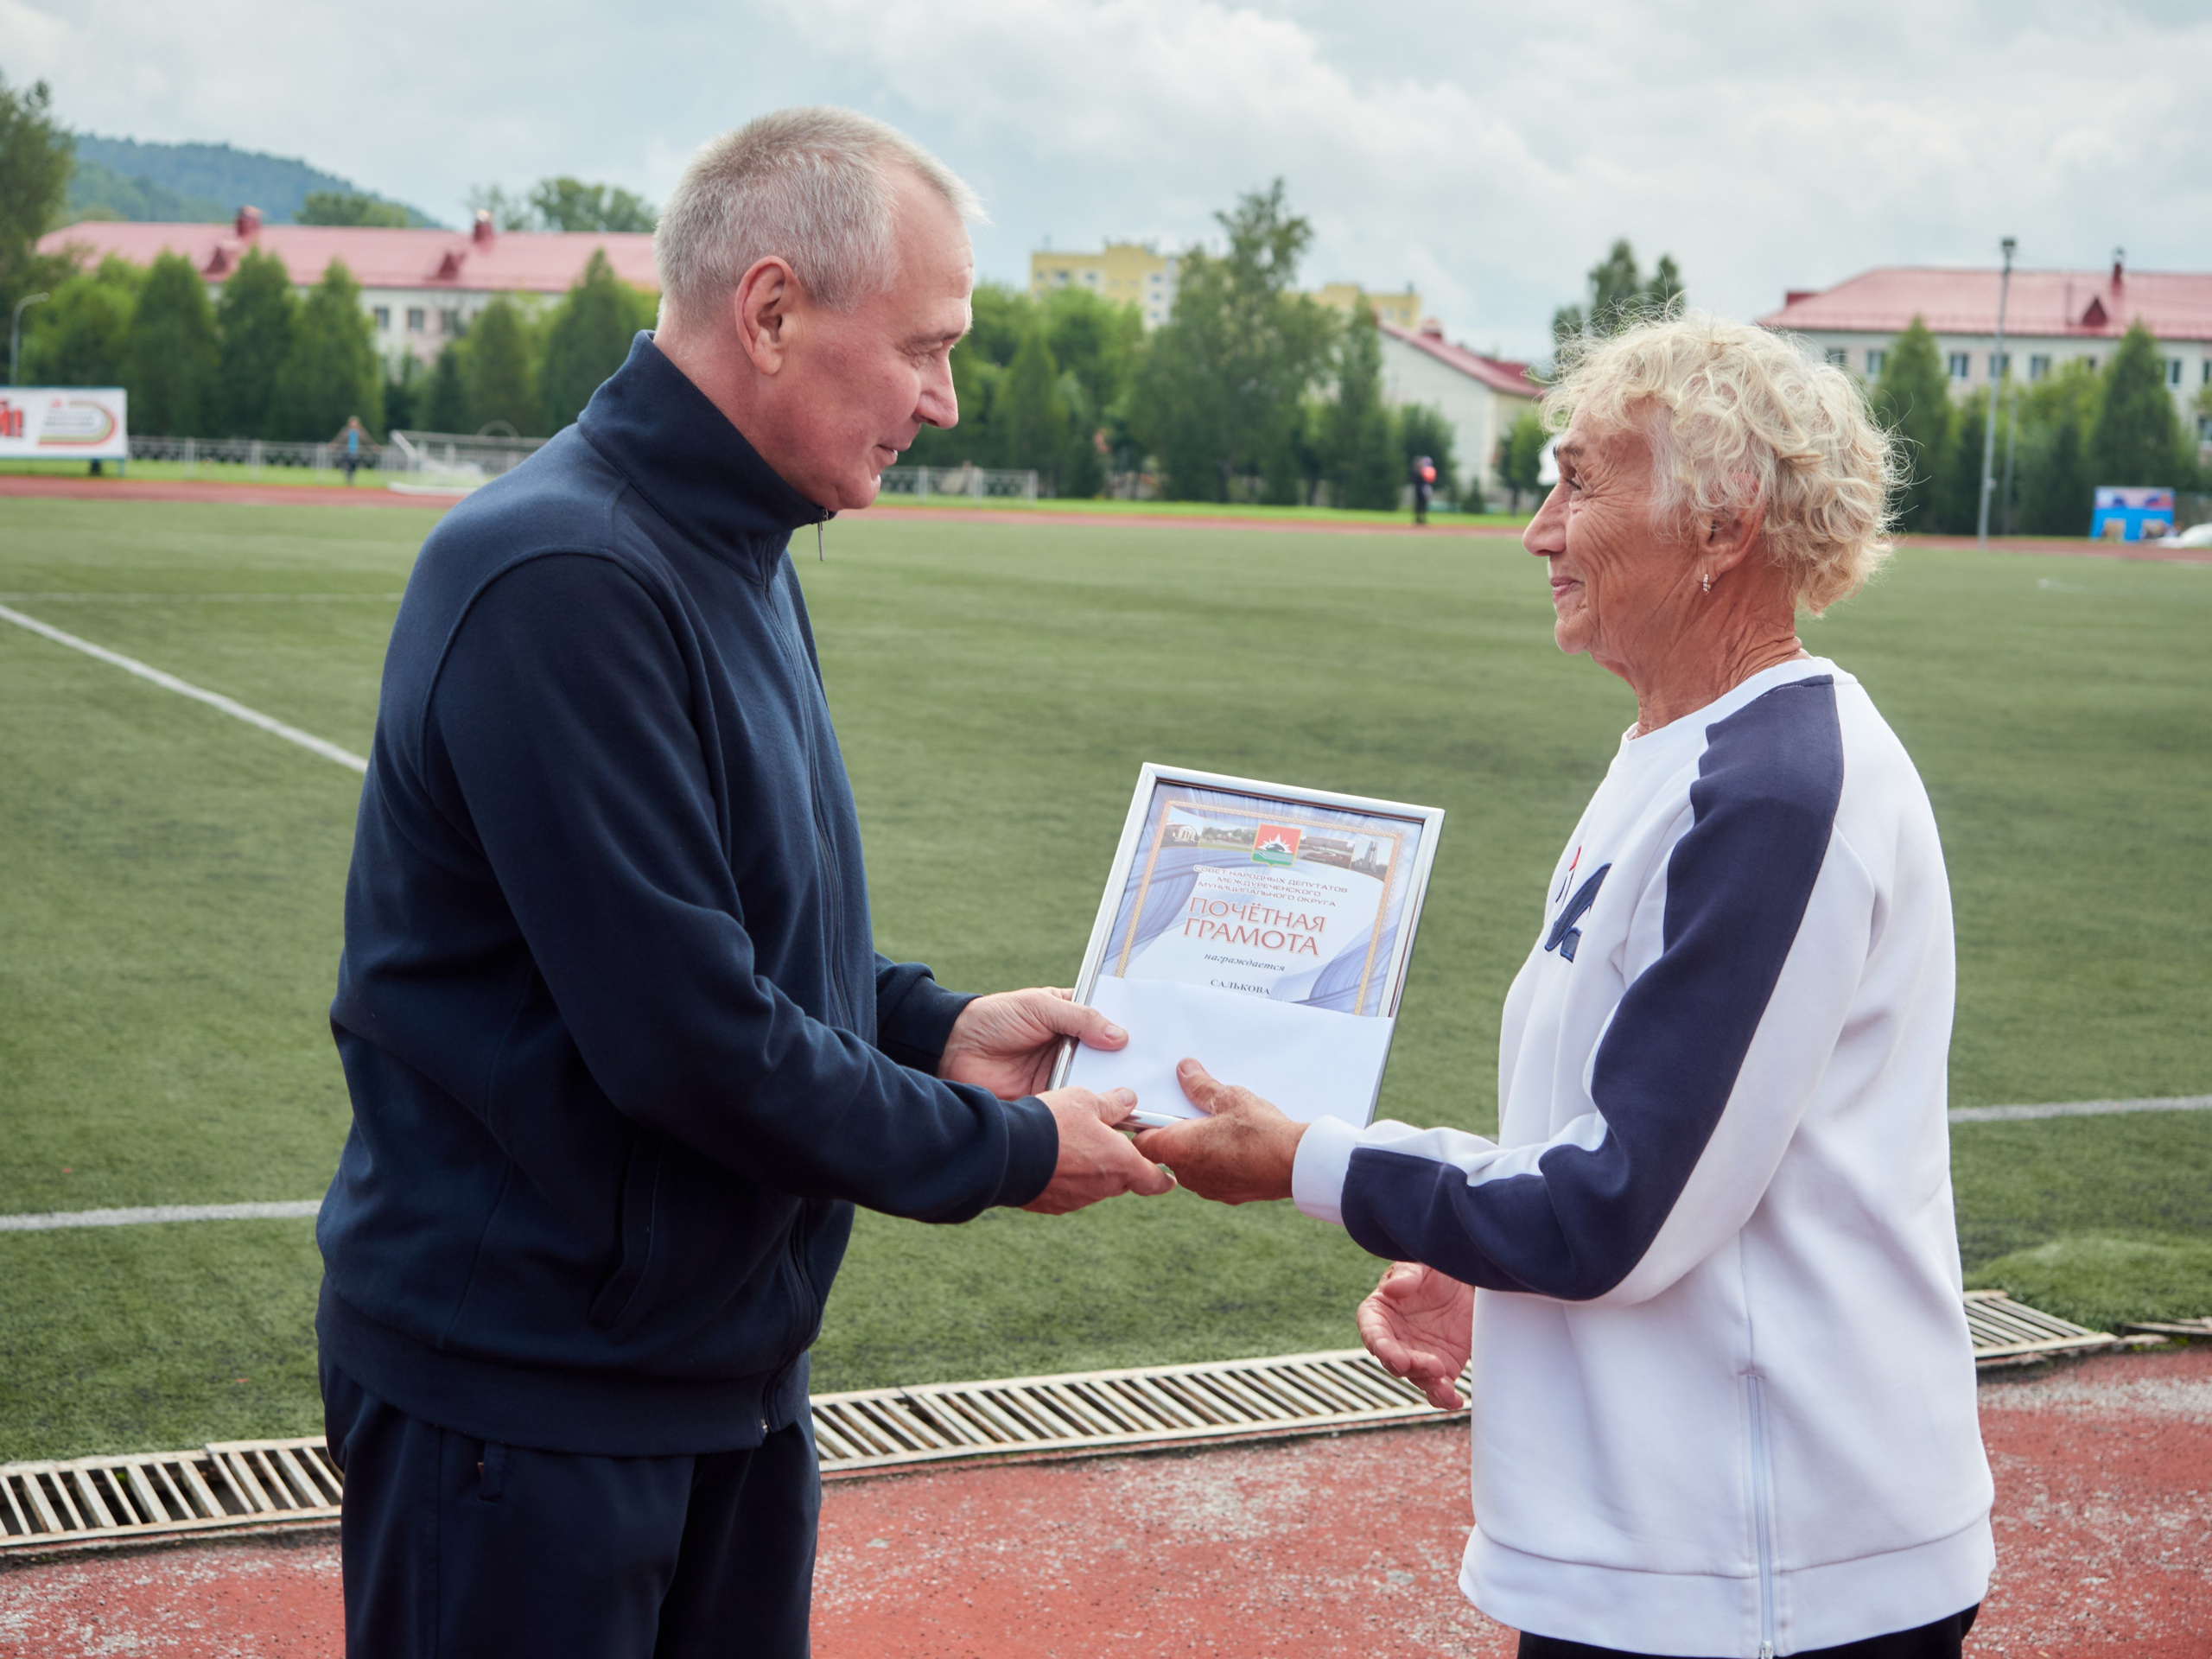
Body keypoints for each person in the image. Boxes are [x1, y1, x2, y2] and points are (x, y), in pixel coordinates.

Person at [315, 107, 1173, 1658]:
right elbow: (689, 1039)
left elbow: (748, 936)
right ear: (771, 312)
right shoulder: (565, 575)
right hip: (530, 1406)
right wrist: (1001, 1146)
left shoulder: (738, 547)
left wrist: (932, 1027)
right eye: (923, 346)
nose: (946, 398)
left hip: (711, 1384)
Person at [1135, 314, 1993, 1659]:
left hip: (1767, 1569)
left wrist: (1306, 1161)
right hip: (1683, 1549)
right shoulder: (1678, 749)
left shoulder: (1772, 791)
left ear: (1724, 528)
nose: (1540, 528)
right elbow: (1640, 1145)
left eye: (1583, 483)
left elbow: (1620, 1210)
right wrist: (1488, 1265)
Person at [332, 415, 369, 485]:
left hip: (356, 452)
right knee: (344, 464)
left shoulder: (361, 432)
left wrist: (373, 446)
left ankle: (350, 477)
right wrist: (334, 444)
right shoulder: (346, 431)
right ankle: (348, 476)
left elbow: (367, 440)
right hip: (347, 451)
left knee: (353, 466)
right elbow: (339, 438)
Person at [1410, 453, 1436, 524]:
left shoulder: (1423, 470)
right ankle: (1417, 518)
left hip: (1423, 490)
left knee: (1423, 504)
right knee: (1418, 505)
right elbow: (1416, 480)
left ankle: (1423, 518)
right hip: (1418, 490)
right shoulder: (1416, 471)